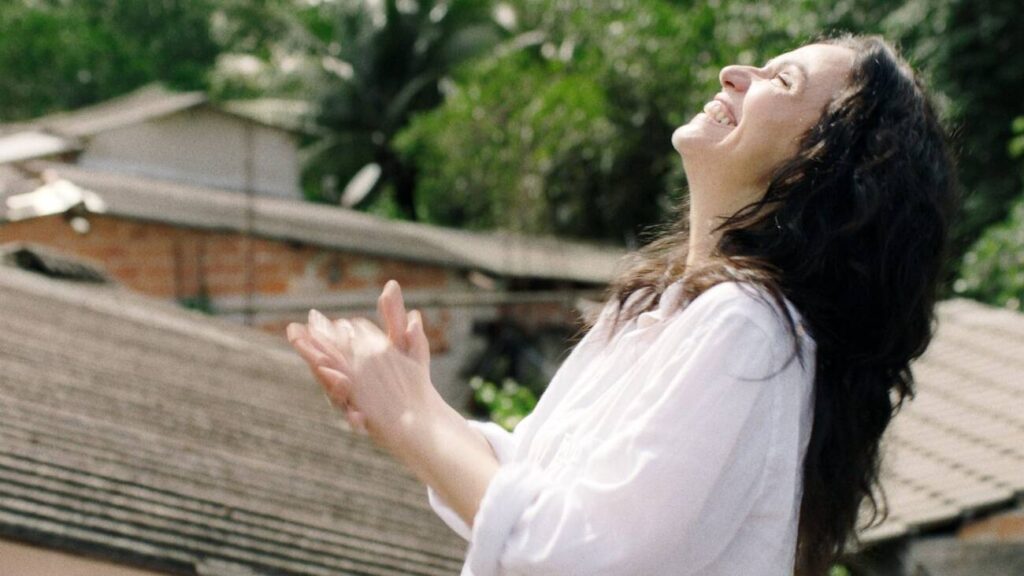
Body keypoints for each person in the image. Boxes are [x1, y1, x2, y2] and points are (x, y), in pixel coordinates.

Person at [286, 31, 958, 576]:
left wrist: (413, 413)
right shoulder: (665, 310)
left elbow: (575, 555)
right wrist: (397, 405)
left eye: (781, 81)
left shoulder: (747, 326)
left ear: (823, 162)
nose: (733, 73)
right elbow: (531, 486)